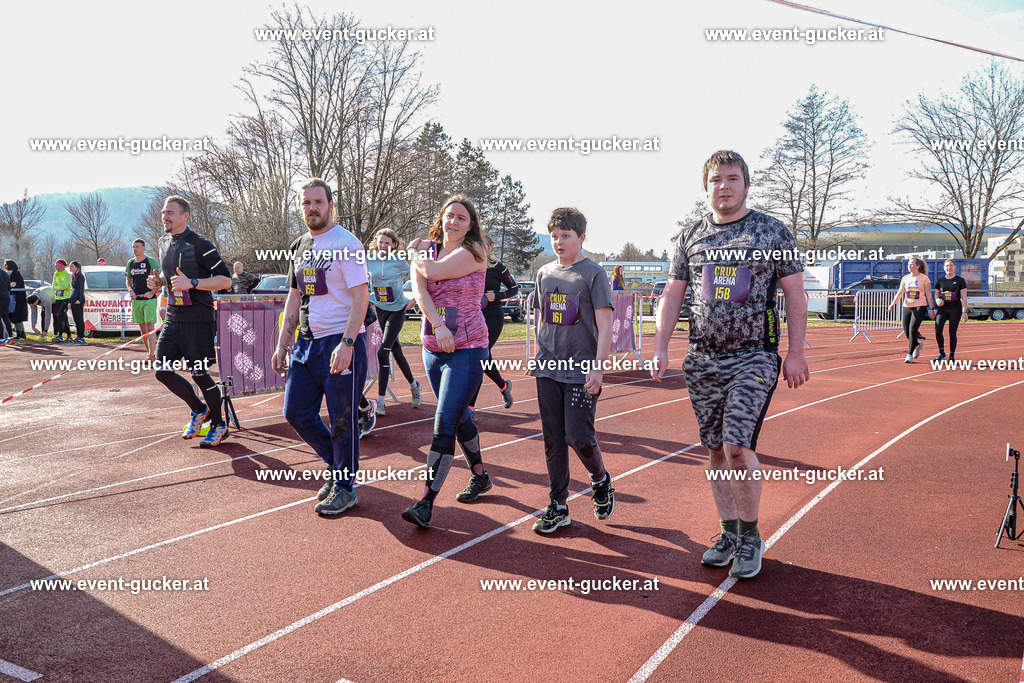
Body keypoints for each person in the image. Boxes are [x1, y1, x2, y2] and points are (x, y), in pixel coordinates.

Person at [652, 150, 809, 580]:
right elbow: (672, 294)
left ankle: (751, 536)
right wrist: (661, 346)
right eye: (716, 179)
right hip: (702, 358)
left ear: (746, 185)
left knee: (738, 446)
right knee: (716, 449)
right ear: (706, 187)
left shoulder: (772, 231)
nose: (724, 186)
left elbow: (795, 294)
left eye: (733, 178)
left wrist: (796, 352)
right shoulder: (689, 236)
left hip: (754, 356)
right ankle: (728, 533)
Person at [271, 178, 370, 515]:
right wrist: (283, 344)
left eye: (318, 202)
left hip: (339, 341)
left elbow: (361, 297)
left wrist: (347, 343)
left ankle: (345, 487)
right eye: (306, 203)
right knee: (295, 412)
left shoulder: (347, 243)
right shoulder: (299, 246)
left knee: (342, 419)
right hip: (306, 343)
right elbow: (294, 297)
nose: (312, 208)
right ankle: (336, 463)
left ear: (330, 205)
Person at [400, 195, 491, 529]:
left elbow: (433, 271)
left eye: (461, 218)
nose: (453, 222)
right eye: (449, 215)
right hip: (433, 347)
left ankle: (425, 503)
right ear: (441, 218)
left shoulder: (475, 250)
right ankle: (480, 475)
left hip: (467, 348)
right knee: (459, 415)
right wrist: (438, 325)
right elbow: (420, 290)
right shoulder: (428, 248)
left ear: (470, 225)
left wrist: (413, 252)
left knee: (444, 421)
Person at [530, 208, 616, 535]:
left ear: (581, 238)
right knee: (553, 439)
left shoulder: (594, 274)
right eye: (554, 236)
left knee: (578, 437)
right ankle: (558, 505)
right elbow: (541, 318)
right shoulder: (544, 273)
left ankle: (600, 479)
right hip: (548, 368)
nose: (559, 242)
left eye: (566, 236)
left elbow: (606, 325)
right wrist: (541, 353)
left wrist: (598, 367)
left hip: (582, 370)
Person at [147, 195, 233, 447]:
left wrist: (193, 283)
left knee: (200, 375)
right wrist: (159, 282)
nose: (164, 217)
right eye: (163, 212)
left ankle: (219, 424)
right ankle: (199, 409)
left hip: (198, 320)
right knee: (162, 371)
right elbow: (170, 276)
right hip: (173, 318)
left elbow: (225, 281)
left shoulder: (201, 244)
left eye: (170, 213)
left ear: (185, 216)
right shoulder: (163, 242)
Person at [365, 228, 423, 416]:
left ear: (394, 245)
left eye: (387, 243)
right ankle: (414, 385)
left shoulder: (399, 262)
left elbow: (418, 276)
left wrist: (415, 299)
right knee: (396, 350)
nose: (383, 246)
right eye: (380, 242)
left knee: (383, 352)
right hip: (380, 309)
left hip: (398, 309)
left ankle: (381, 401)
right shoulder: (369, 260)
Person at [469, 243, 518, 410]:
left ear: (490, 248)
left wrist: (497, 295)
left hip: (493, 317)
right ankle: (504, 386)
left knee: (479, 358)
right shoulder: (467, 266)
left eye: (484, 246)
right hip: (473, 317)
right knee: (481, 358)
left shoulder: (498, 267)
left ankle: (470, 408)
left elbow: (514, 288)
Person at [888, 257, 934, 363]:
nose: (909, 266)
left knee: (913, 329)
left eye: (912, 264)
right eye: (908, 264)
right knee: (906, 331)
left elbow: (928, 295)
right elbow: (900, 292)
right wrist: (892, 303)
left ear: (918, 266)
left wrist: (931, 309)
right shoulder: (905, 278)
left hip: (920, 306)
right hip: (907, 306)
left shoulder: (924, 278)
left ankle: (909, 354)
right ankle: (917, 345)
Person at [126, 240, 161, 360]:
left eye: (137, 246)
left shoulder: (151, 261)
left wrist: (152, 292)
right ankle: (149, 354)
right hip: (136, 299)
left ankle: (152, 354)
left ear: (143, 248)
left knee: (150, 326)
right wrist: (130, 289)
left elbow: (161, 278)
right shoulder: (130, 263)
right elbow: (128, 280)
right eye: (133, 247)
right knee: (142, 328)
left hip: (149, 299)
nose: (135, 249)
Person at [933, 259, 968, 363]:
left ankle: (952, 356)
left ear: (955, 267)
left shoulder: (960, 281)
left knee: (952, 333)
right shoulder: (940, 280)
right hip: (943, 309)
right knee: (938, 330)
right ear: (944, 268)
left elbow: (964, 297)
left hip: (955, 309)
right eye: (947, 266)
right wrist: (937, 300)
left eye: (951, 266)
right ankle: (941, 353)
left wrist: (965, 312)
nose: (949, 268)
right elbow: (936, 294)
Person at [5, 260, 28, 340]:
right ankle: (19, 333)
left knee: (17, 317)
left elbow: (14, 284)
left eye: (6, 264)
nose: (4, 266)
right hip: (13, 298)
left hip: (17, 299)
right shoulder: (11, 273)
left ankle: (21, 333)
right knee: (13, 317)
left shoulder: (15, 274)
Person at [51, 259, 73, 343]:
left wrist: (59, 279)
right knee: (64, 317)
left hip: (65, 298)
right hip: (58, 298)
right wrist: (59, 287)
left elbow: (64, 286)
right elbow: (53, 287)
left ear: (61, 266)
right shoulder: (56, 274)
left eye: (56, 265)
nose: (55, 266)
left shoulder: (67, 275)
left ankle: (60, 335)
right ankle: (69, 336)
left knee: (60, 316)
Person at [67, 261, 87, 343]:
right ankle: (78, 336)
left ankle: (81, 336)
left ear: (76, 267)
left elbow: (82, 289)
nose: (70, 268)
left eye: (72, 266)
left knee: (79, 318)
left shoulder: (80, 276)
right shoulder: (73, 276)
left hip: (78, 299)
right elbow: (72, 289)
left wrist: (80, 299)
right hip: (73, 298)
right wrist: (70, 301)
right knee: (75, 318)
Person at [0, 262, 11, 344]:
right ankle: (10, 337)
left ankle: (1, 338)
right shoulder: (5, 273)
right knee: (5, 317)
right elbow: (9, 287)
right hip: (6, 297)